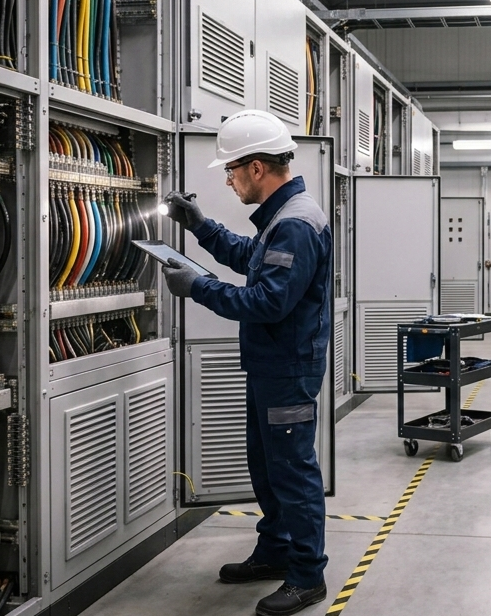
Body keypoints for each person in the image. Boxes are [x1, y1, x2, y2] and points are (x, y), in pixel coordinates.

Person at [161, 110, 332, 616]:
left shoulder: (297, 223)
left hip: (288, 369)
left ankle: (307, 576)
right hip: (271, 366)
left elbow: (267, 302)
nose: (230, 180)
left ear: (257, 167)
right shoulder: (283, 218)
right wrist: (201, 227)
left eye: (232, 170)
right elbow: (249, 257)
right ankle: (276, 551)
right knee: (268, 468)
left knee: (293, 473)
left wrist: (199, 288)